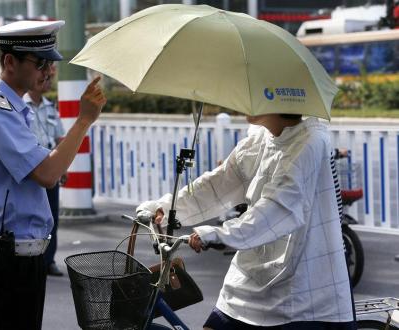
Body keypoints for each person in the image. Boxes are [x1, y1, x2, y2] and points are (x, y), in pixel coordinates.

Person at [137, 114, 356, 330]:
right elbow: (217, 184)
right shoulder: (260, 138)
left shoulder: (310, 141)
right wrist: (164, 208)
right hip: (249, 276)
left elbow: (276, 208)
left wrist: (217, 234)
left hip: (301, 289)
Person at [0, 20, 105, 330]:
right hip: (9, 257)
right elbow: (47, 174)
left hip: (21, 252)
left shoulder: (15, 108)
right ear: (9, 62)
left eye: (51, 62)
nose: (48, 70)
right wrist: (84, 121)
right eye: (40, 62)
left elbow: (50, 164)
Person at [24, 65, 65, 276]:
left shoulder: (51, 108)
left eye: (50, 79)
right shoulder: (21, 106)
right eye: (45, 78)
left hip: (51, 168)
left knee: (52, 218)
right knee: (33, 217)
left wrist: (62, 167)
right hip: (32, 172)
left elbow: (60, 139)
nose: (48, 82)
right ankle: (34, 259)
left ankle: (49, 260)